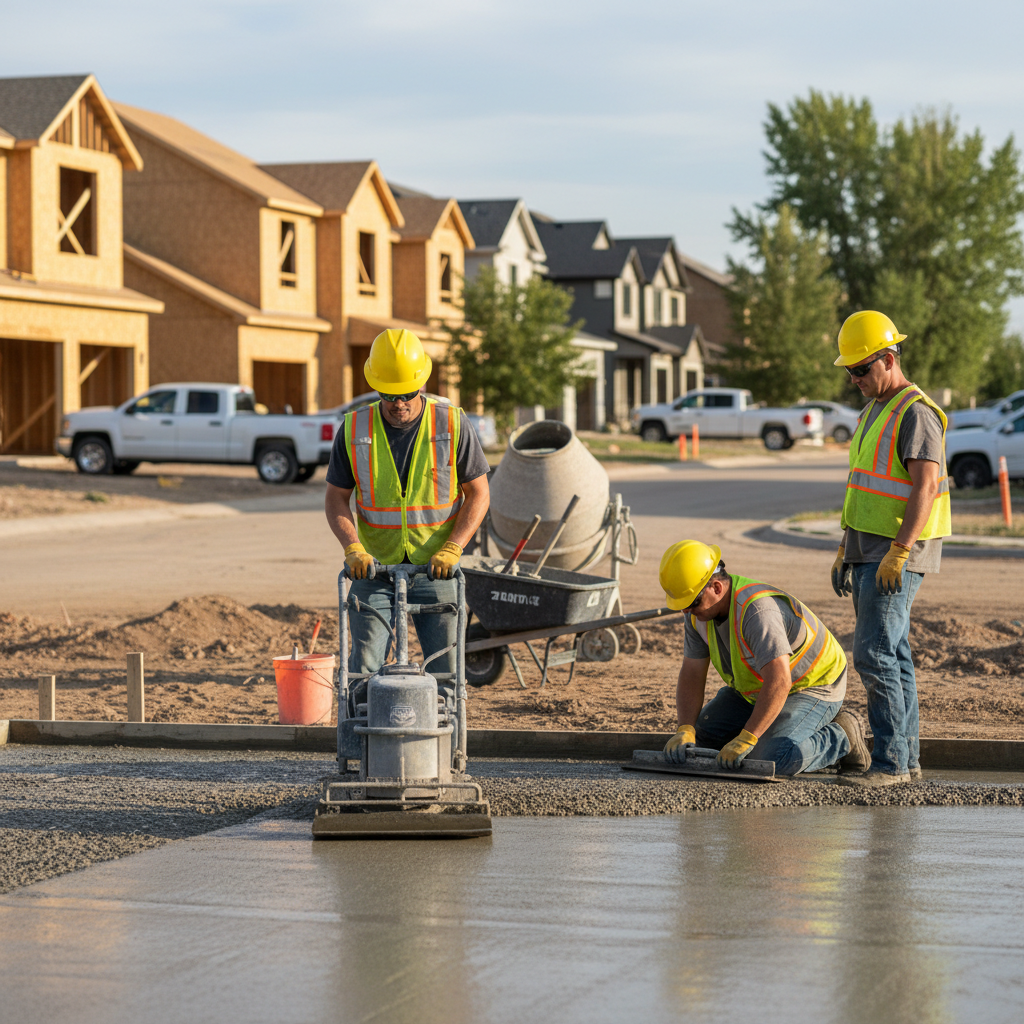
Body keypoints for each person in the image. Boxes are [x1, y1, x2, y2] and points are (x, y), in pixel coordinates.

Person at [324, 328, 490, 677]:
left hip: (437, 566)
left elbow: (479, 493)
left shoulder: (452, 424)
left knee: (445, 669)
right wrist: (352, 547)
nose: (399, 403)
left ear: (422, 384)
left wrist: (454, 548)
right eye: (389, 395)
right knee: (363, 668)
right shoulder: (355, 428)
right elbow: (336, 497)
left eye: (407, 394)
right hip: (373, 568)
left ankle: (442, 729)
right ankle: (362, 728)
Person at [830, 311, 951, 787]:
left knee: (873, 655)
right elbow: (861, 487)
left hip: (895, 552)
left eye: (861, 369)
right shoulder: (874, 411)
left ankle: (891, 763)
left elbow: (925, 486)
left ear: (888, 357)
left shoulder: (915, 412)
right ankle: (907, 759)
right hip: (867, 549)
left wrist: (900, 550)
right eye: (849, 372)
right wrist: (845, 549)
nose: (855, 379)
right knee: (893, 654)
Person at [660, 540, 868, 777]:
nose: (686, 611)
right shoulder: (698, 616)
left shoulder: (757, 612)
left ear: (716, 588)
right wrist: (685, 728)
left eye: (692, 603)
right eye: (683, 605)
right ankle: (768, 733)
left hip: (813, 686)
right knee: (701, 740)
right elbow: (692, 672)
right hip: (758, 689)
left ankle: (842, 736)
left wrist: (749, 737)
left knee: (770, 759)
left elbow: (779, 681)